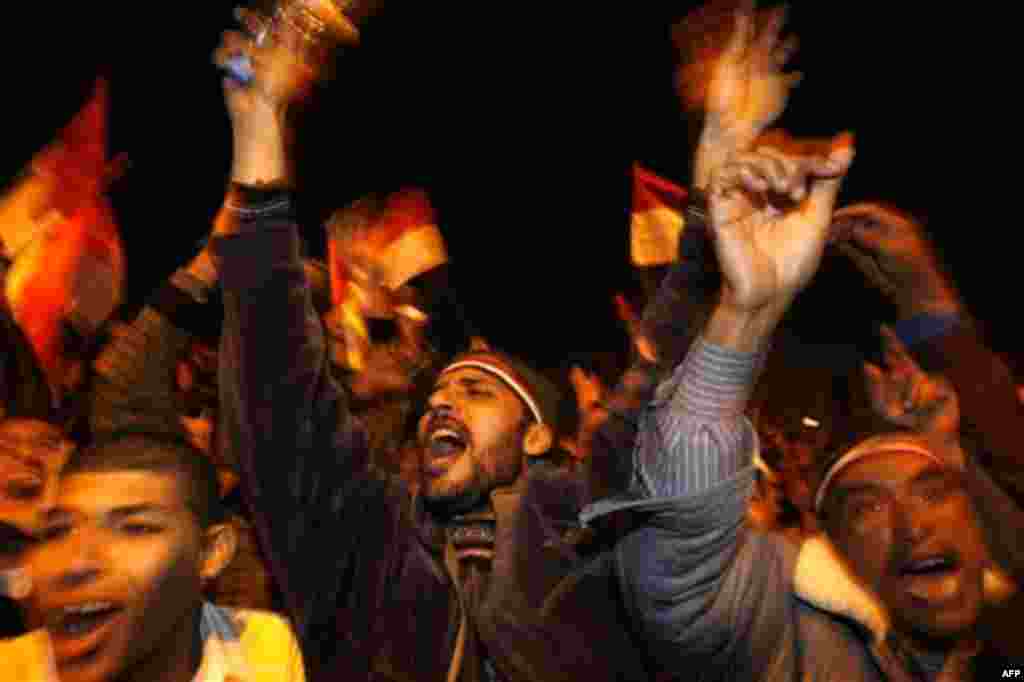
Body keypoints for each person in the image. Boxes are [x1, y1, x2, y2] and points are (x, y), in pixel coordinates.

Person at [589, 132, 1024, 679]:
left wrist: (927, 296)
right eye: (866, 508)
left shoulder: (1010, 635)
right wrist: (743, 315)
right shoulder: (783, 644)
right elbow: (669, 556)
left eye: (933, 492)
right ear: (833, 550)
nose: (913, 529)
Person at [18, 431, 305, 682]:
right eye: (57, 531)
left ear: (212, 553)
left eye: (135, 528)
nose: (75, 563)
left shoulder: (270, 652)